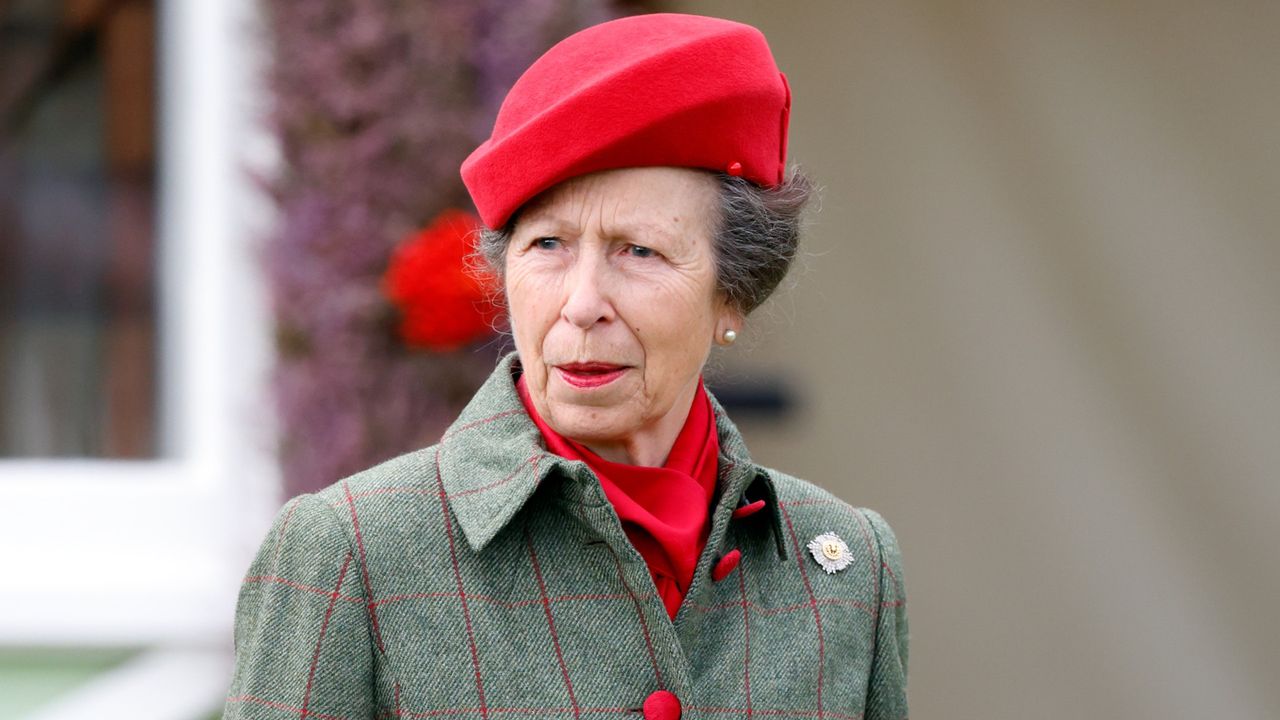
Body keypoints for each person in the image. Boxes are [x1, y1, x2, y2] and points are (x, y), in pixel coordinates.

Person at [225, 13, 907, 720]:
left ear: (733, 292)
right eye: (547, 245)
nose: (582, 305)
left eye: (638, 251)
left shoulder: (849, 567)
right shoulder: (351, 554)